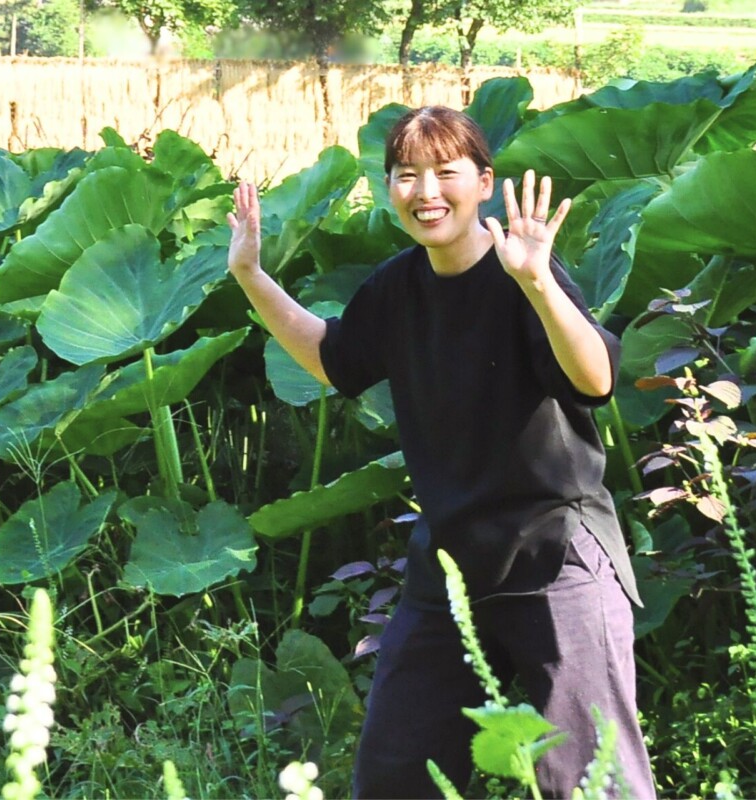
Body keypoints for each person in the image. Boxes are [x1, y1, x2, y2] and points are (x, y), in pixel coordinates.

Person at [226, 105, 657, 799]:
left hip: (556, 556)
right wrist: (250, 274)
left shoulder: (524, 276)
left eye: (445, 173)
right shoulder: (399, 287)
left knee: (590, 782)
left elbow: (596, 379)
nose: (426, 192)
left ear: (483, 182)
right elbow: (337, 360)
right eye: (406, 176)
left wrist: (540, 282)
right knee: (399, 772)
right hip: (450, 567)